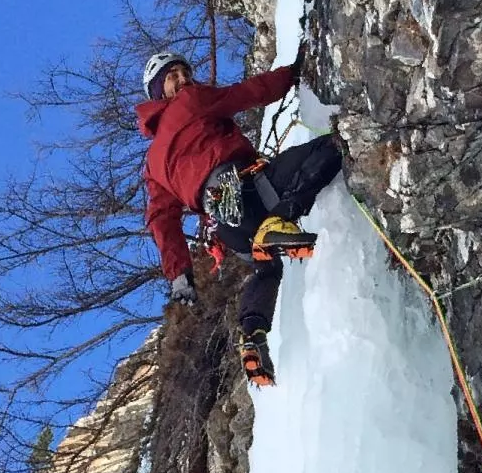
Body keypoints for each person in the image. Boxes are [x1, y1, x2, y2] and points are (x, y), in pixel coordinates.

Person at [137, 50, 343, 386]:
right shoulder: (191, 101)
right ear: (160, 92)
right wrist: (293, 71)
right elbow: (249, 93)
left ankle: (252, 333)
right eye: (172, 77)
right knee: (332, 146)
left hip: (225, 224)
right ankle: (280, 221)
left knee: (266, 268)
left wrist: (180, 275)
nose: (183, 80)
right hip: (242, 188)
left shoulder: (153, 167)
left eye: (184, 72)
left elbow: (162, 220)